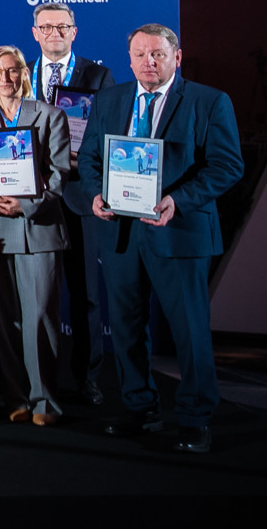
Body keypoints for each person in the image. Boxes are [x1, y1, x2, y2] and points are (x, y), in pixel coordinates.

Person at [72, 24, 242, 454]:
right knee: (126, 328)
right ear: (129, 59)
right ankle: (139, 407)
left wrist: (177, 200)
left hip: (179, 232)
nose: (149, 62)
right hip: (120, 233)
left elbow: (227, 166)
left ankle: (195, 417)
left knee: (189, 330)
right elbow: (89, 158)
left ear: (176, 58)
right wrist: (95, 194)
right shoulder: (109, 99)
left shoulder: (209, 101)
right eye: (140, 54)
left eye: (158, 54)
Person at [0, 44, 71, 426]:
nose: (5, 78)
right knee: (4, 319)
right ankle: (16, 397)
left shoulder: (50, 115)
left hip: (38, 228)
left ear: (23, 73)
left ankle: (45, 401)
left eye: (11, 70)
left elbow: (59, 174)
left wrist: (25, 205)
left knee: (40, 317)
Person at [30, 1, 115, 405]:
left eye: (62, 27)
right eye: (46, 27)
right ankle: (37, 379)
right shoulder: (19, 74)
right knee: (35, 293)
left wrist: (86, 155)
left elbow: (109, 131)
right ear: (35, 33)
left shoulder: (97, 76)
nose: (54, 34)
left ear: (74, 32)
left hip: (80, 195)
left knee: (85, 294)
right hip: (33, 197)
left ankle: (88, 377)